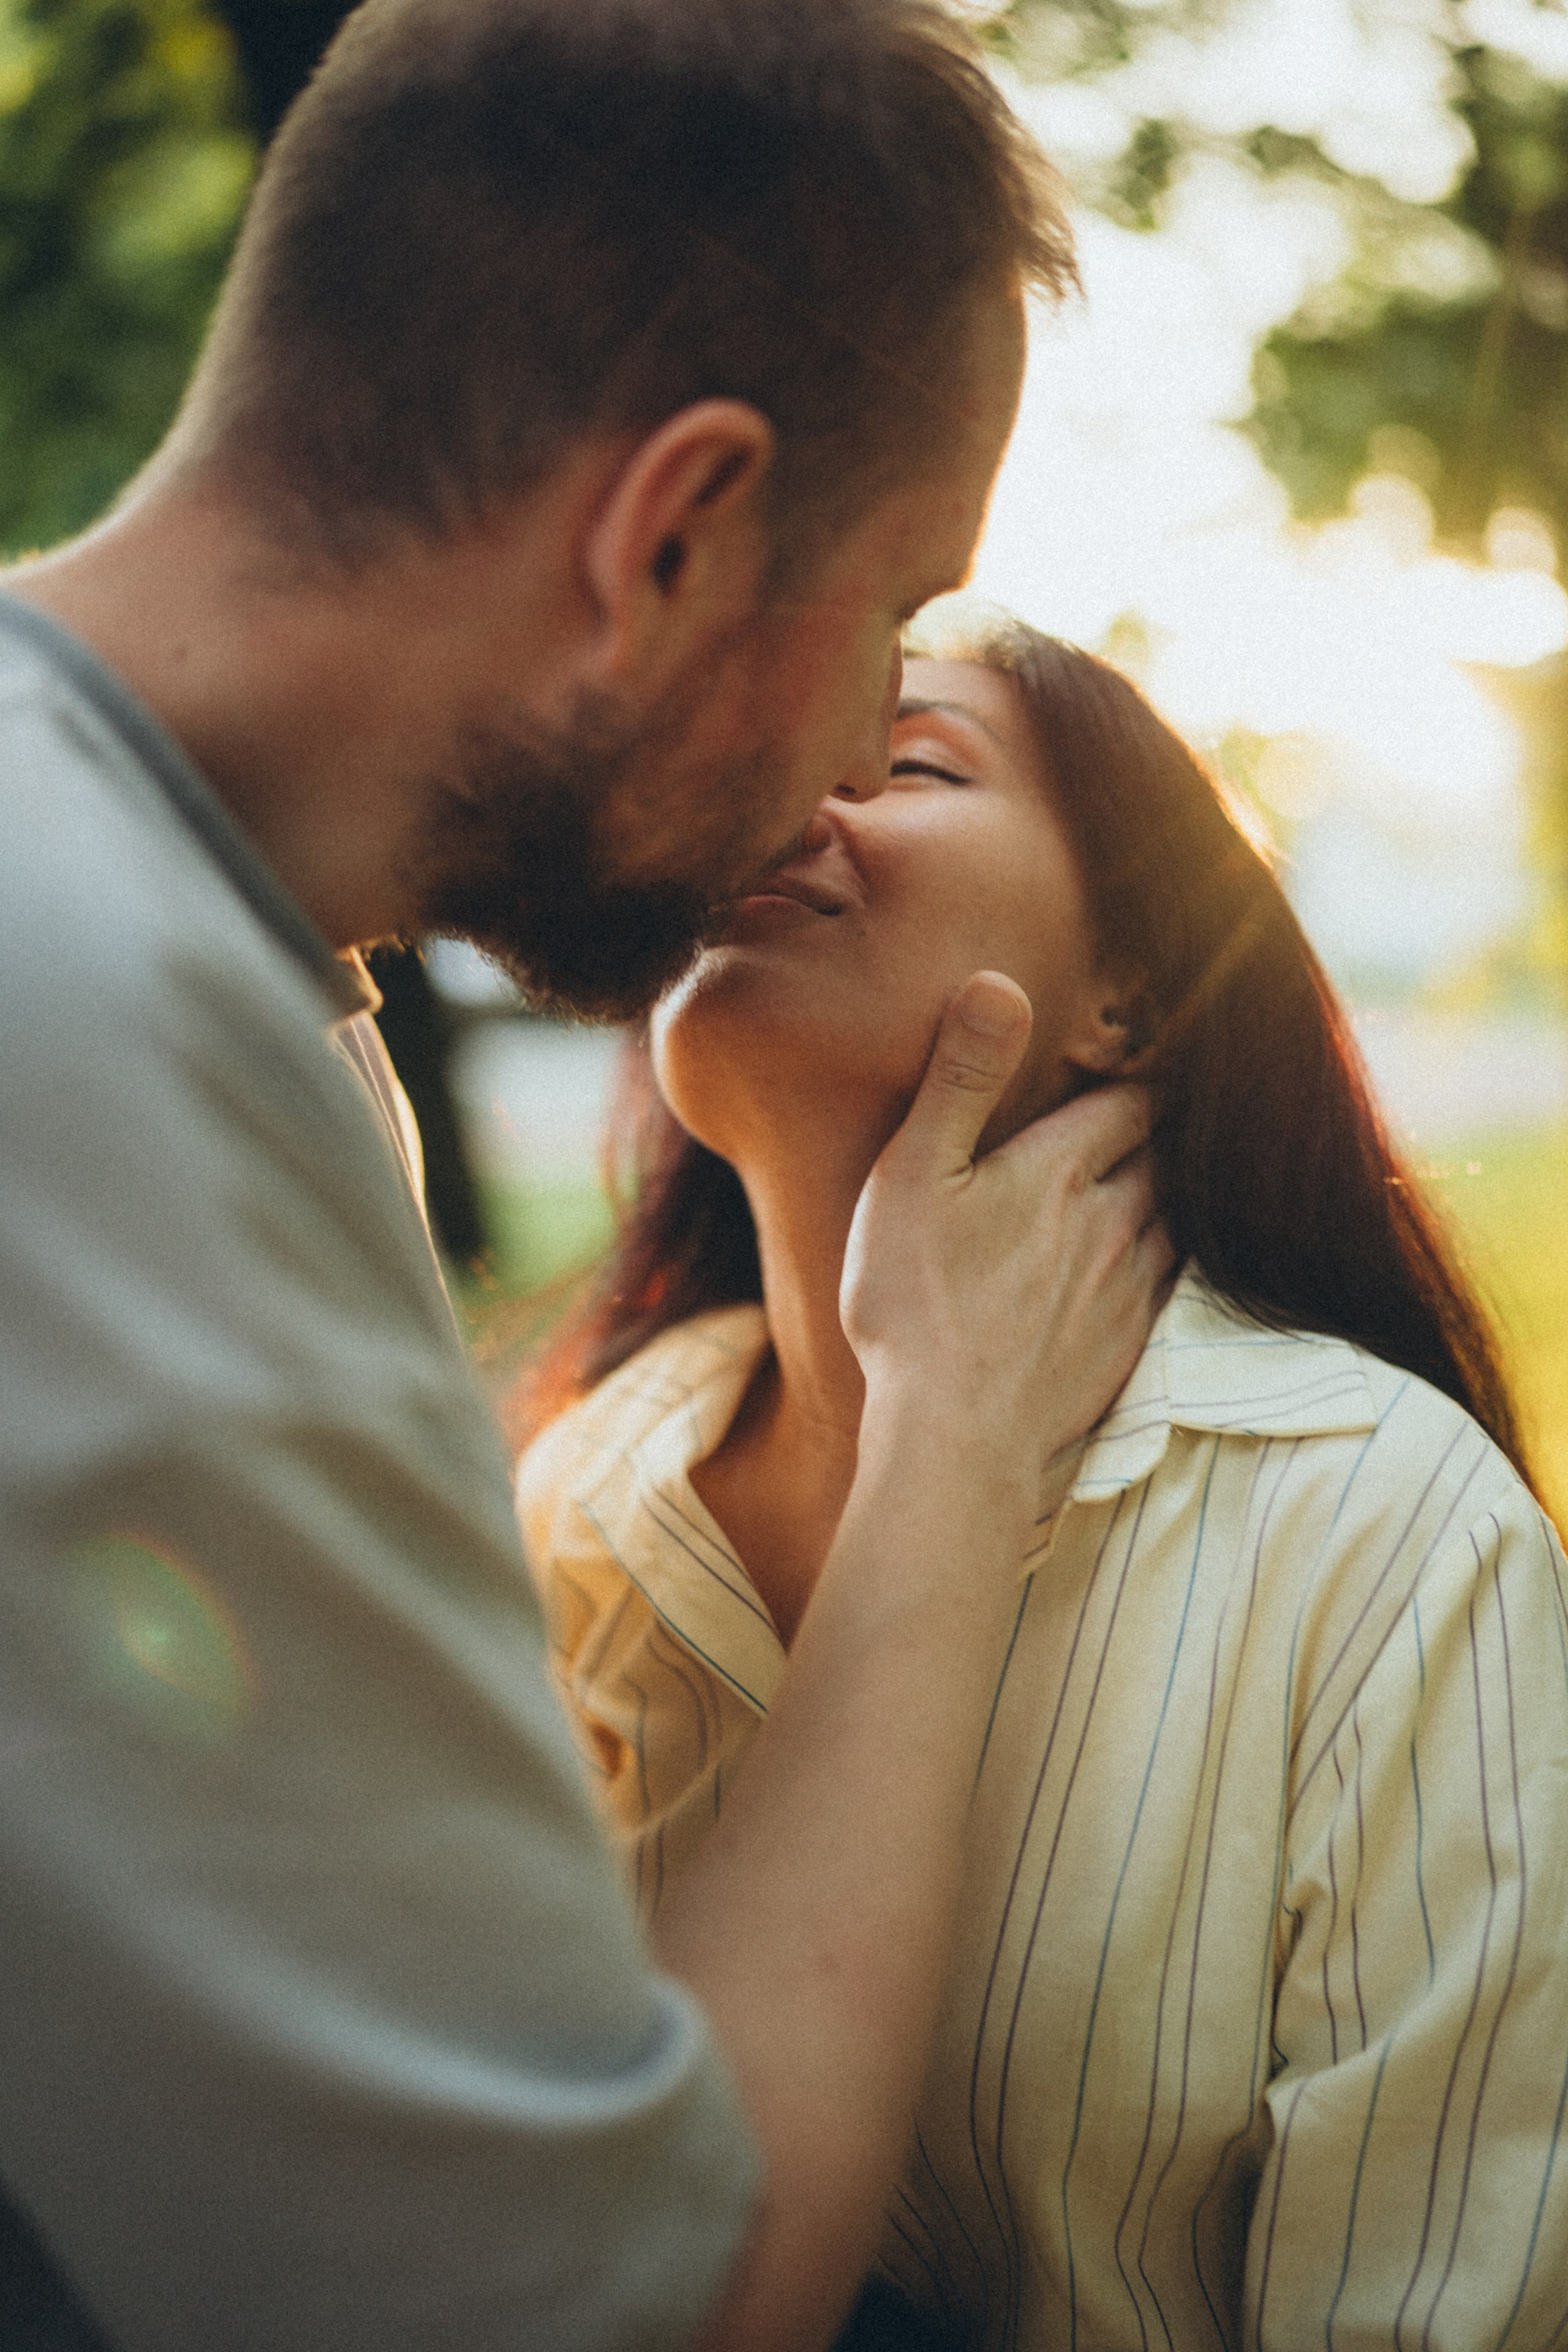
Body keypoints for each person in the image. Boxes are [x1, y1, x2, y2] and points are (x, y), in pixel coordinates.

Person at [0, 9, 1183, 2350]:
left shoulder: (241, 985)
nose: (850, 767)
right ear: (675, 534)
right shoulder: (88, 1042)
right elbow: (619, 2311)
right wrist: (951, 1459)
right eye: (888, 620)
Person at [517, 622, 1568, 2348]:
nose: (794, 797)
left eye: (911, 761)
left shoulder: (1379, 1526)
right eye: (769, 756)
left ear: (1127, 994)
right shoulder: (576, 1502)